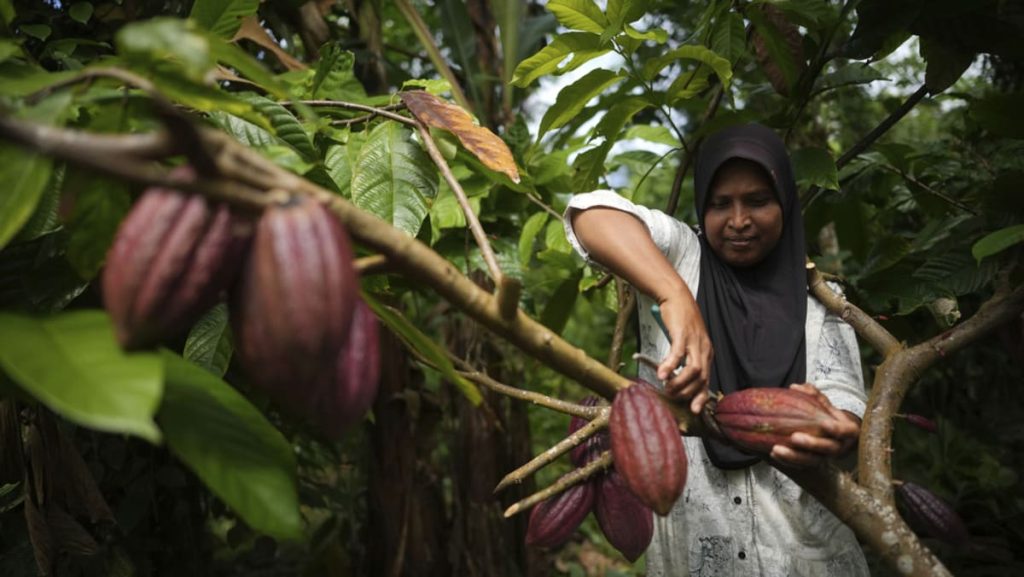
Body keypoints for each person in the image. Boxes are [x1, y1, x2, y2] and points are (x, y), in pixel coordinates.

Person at [563, 124, 870, 576]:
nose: (739, 220)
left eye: (758, 201)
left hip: (803, 557)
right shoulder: (682, 258)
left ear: (785, 203)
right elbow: (589, 214)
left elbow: (846, 407)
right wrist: (675, 295)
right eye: (720, 203)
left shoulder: (822, 308)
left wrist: (836, 430)